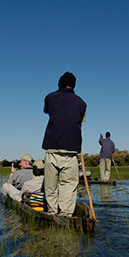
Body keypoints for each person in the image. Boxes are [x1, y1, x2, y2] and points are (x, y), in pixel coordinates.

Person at [42, 72, 87, 217]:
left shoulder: (49, 98)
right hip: (71, 152)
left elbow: (46, 111)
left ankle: (52, 212)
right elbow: (81, 122)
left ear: (59, 84)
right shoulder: (82, 103)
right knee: (68, 185)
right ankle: (66, 215)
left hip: (52, 150)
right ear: (74, 86)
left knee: (50, 186)